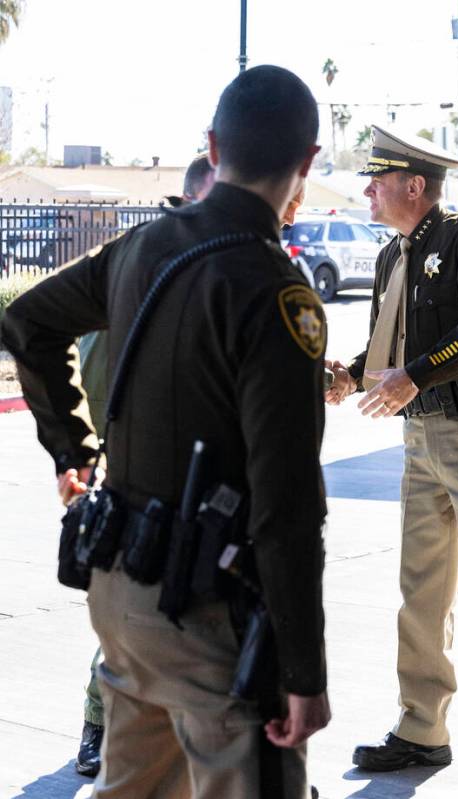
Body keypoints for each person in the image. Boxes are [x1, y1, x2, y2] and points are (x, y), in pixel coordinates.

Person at [2, 65, 331, 797]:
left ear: (213, 148)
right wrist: (304, 670)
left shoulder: (144, 246)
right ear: (307, 163)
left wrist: (72, 449)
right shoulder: (277, 294)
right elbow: (287, 506)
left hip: (122, 592)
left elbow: (27, 321)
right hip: (208, 616)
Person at [324, 125, 458, 771]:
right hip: (418, 440)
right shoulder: (392, 255)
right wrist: (349, 375)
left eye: (377, 180)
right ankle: (421, 727)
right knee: (420, 591)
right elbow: (393, 354)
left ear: (413, 185)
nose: (367, 190)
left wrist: (414, 374)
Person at [68, 154, 217, 779]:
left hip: (174, 474)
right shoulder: (155, 265)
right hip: (148, 477)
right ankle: (100, 726)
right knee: (135, 611)